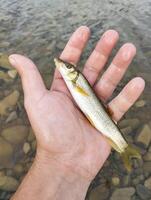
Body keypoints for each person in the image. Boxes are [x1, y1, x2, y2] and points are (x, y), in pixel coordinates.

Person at [9, 26, 145, 200]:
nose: (62, 66)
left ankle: (125, 148)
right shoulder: (72, 79)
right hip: (97, 118)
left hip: (100, 119)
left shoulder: (75, 79)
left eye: (66, 66)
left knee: (110, 128)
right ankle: (125, 149)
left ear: (72, 73)